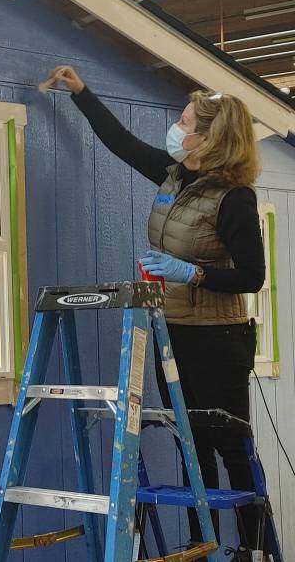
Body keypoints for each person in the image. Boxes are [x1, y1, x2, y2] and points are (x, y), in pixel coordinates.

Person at [47, 66, 264, 558]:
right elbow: (122, 143)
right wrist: (81, 92)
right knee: (192, 449)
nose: (177, 129)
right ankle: (201, 544)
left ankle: (252, 548)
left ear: (211, 137)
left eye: (185, 123)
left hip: (219, 338)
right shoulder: (175, 177)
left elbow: (252, 277)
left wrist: (191, 273)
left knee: (230, 445)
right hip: (175, 334)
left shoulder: (235, 199)